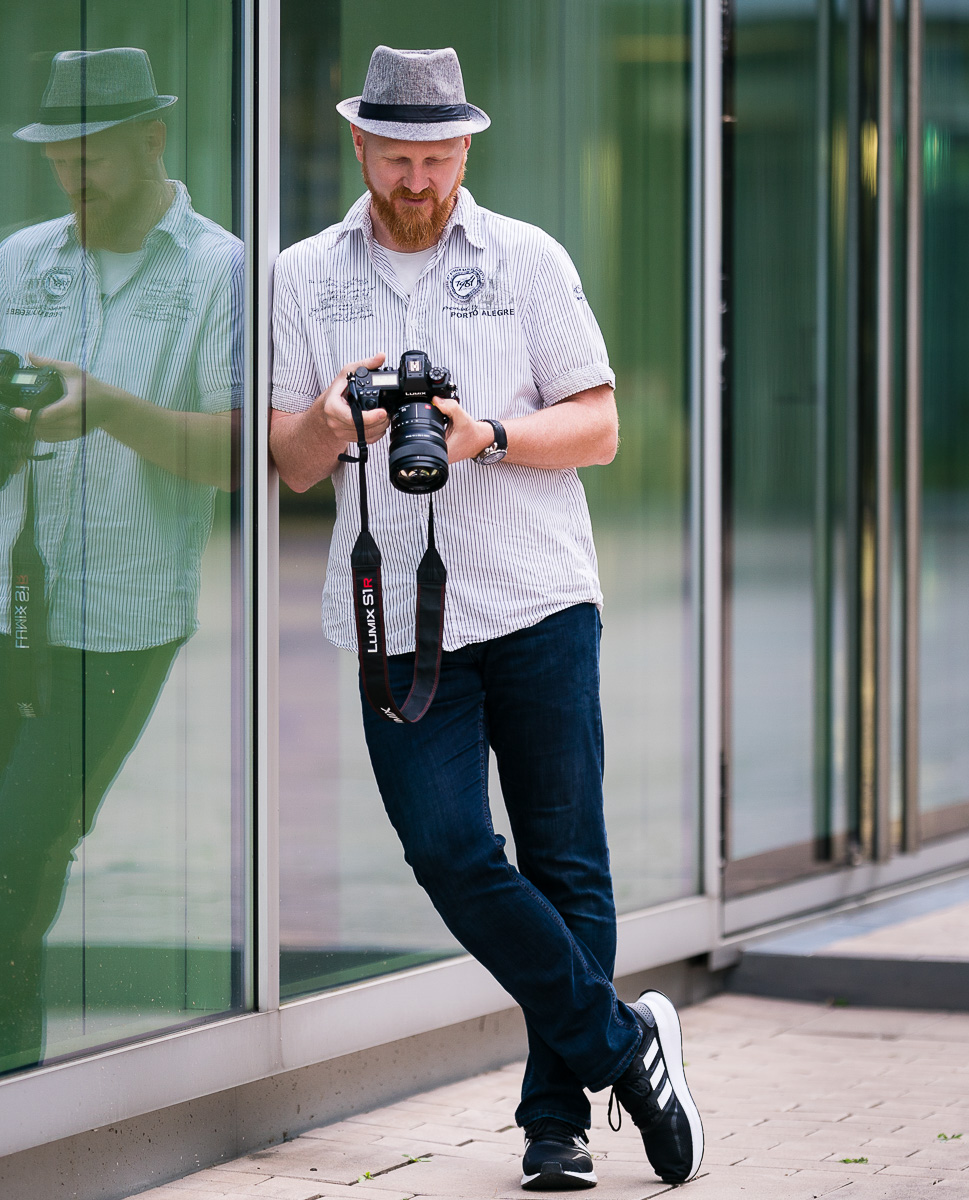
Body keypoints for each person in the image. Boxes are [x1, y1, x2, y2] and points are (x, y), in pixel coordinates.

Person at [268, 46, 702, 1191]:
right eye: (398, 158)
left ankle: (554, 1124)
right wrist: (329, 417)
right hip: (396, 626)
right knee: (450, 848)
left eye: (437, 158)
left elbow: (600, 427)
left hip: (538, 599)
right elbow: (286, 460)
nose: (418, 182)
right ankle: (627, 1049)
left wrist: (486, 438)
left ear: (467, 148)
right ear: (361, 145)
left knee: (566, 861)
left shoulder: (528, 260)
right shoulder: (304, 276)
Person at [0, 46, 242, 1113]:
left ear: (150, 140)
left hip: (120, 615)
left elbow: (235, 451)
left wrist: (109, 407)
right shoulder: (21, 260)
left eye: (92, 157)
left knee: (29, 843)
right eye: (57, 158)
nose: (72, 178)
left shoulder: (219, 270)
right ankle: (3, 1092)